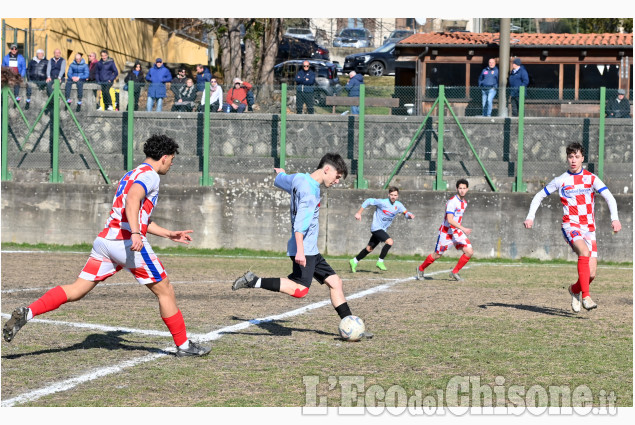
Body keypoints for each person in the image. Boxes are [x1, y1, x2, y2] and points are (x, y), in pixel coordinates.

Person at [2, 134, 211, 357]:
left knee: (76, 289)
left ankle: (28, 312)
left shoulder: (130, 174)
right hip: (126, 243)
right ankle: (184, 346)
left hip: (106, 241)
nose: (171, 165)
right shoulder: (151, 176)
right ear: (165, 157)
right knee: (166, 290)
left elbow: (133, 212)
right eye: (172, 160)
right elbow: (132, 201)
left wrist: (168, 233)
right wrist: (136, 233)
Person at [232, 153, 372, 338]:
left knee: (335, 282)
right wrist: (300, 250)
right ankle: (254, 281)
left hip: (310, 249)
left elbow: (283, 179)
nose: (337, 181)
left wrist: (281, 174)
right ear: (327, 169)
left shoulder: (299, 178)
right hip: (304, 248)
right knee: (300, 290)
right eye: (337, 176)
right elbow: (300, 223)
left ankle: (350, 323)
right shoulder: (310, 192)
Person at [523, 142, 621, 312]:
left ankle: (574, 290)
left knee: (591, 275)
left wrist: (615, 219)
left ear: (583, 158)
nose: (573, 160)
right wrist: (530, 217)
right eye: (570, 157)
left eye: (577, 156)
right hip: (571, 225)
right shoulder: (561, 180)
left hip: (589, 229)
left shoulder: (591, 178)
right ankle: (587, 297)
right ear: (567, 158)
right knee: (584, 252)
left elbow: (609, 198)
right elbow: (539, 196)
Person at [415, 179, 473, 281]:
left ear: (467, 189)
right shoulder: (452, 202)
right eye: (460, 188)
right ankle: (420, 268)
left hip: (457, 232)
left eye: (464, 188)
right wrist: (463, 228)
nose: (462, 190)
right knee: (437, 255)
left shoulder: (464, 203)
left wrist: (460, 229)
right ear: (457, 189)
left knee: (469, 251)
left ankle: (454, 272)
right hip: (446, 232)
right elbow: (450, 220)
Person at [349, 186, 414, 272]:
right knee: (390, 242)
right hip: (376, 228)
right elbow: (368, 201)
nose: (393, 197)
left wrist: (409, 215)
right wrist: (359, 213)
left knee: (369, 249)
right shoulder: (382, 202)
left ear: (397, 196)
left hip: (382, 230)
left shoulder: (399, 205)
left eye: (395, 195)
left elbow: (406, 213)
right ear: (388, 195)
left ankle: (354, 261)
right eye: (391, 195)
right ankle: (380, 261)